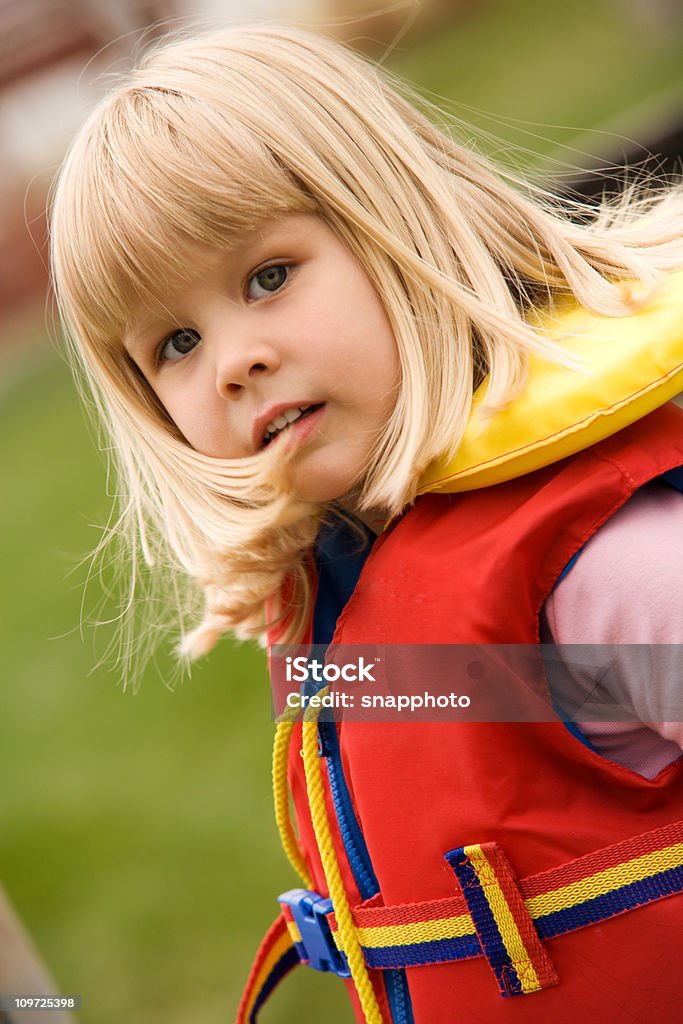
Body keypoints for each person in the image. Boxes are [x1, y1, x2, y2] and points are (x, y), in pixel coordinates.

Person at [49, 24, 683, 1024]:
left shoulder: (599, 568)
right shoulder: (342, 596)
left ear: (393, 224)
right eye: (174, 342)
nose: (232, 361)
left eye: (267, 276)